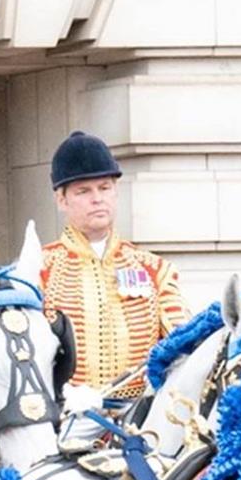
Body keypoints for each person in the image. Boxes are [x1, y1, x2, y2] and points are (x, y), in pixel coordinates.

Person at [35, 131, 188, 401]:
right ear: (62, 200)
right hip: (63, 416)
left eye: (104, 188)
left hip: (141, 419)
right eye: (84, 191)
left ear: (115, 192)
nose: (97, 198)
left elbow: (182, 344)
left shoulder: (154, 268)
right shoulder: (38, 269)